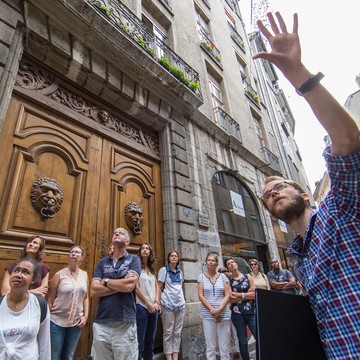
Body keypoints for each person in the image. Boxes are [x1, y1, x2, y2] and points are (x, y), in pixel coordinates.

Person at [255, 11, 360, 359]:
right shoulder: (298, 259)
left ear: (302, 193)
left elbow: (347, 138)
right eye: (268, 197)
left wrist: (298, 75)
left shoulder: (340, 209)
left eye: (279, 187)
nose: (273, 194)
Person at [90, 228, 141, 360]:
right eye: (115, 233)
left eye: (122, 233)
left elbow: (130, 286)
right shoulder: (103, 262)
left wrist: (105, 281)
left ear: (128, 241)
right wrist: (121, 283)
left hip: (124, 323)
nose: (117, 233)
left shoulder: (134, 260)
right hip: (102, 323)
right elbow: (94, 291)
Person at [0, 257, 50, 359]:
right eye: (16, 270)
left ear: (33, 280)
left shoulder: (39, 304)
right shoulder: (1, 303)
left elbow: (44, 343)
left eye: (25, 272)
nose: (18, 275)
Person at [47, 245, 89, 360]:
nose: (74, 254)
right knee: (54, 356)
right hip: (56, 321)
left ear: (82, 258)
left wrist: (85, 316)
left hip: (76, 322)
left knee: (69, 356)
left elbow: (85, 298)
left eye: (77, 252)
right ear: (69, 256)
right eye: (72, 252)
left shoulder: (85, 275)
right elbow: (50, 299)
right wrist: (47, 318)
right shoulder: (59, 275)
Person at [198, 253, 231, 360]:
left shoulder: (223, 277)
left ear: (217, 263)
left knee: (224, 346)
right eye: (209, 260)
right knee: (210, 346)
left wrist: (219, 310)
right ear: (206, 262)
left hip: (223, 314)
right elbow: (200, 296)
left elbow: (227, 295)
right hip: (208, 314)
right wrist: (213, 310)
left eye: (213, 260)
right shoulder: (201, 277)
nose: (211, 262)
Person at [225, 258, 256, 360]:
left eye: (232, 262)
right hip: (237, 314)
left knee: (258, 336)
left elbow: (254, 295)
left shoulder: (248, 277)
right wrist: (246, 294)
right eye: (229, 264)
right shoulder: (228, 282)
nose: (231, 264)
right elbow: (230, 298)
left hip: (251, 312)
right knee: (242, 341)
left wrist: (239, 295)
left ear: (236, 264)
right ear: (228, 268)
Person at [157, 250, 186, 360]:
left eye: (176, 256)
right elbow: (159, 287)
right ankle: (168, 357)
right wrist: (158, 303)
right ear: (168, 258)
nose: (174, 257)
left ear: (178, 259)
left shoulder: (180, 272)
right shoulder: (164, 270)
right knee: (168, 332)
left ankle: (175, 357)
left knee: (177, 333)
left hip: (180, 306)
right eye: (172, 256)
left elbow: (180, 287)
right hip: (168, 305)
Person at [136, 243, 161, 360]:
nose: (145, 250)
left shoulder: (151, 269)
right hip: (141, 306)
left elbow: (157, 287)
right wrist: (147, 303)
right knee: (139, 340)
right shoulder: (136, 267)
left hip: (153, 307)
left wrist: (156, 302)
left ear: (150, 252)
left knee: (150, 341)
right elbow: (136, 287)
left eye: (147, 248)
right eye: (143, 248)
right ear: (140, 251)